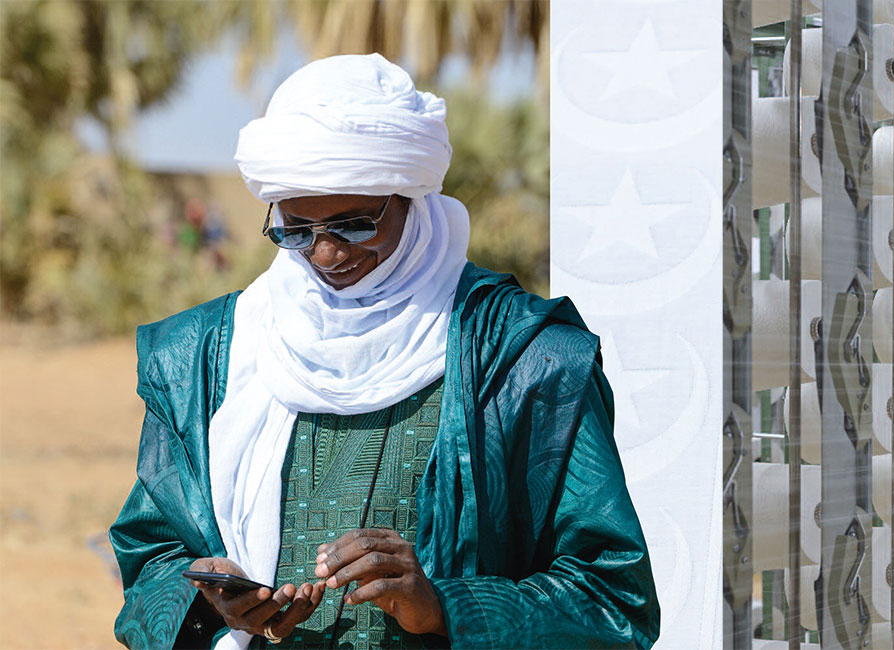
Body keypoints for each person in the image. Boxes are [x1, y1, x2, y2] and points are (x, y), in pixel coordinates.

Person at [109, 53, 660, 650]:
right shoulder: (204, 357)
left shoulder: (528, 359)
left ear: (412, 199)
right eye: (296, 229)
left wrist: (445, 608)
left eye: (352, 224)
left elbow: (613, 599)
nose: (324, 255)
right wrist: (210, 603)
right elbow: (152, 554)